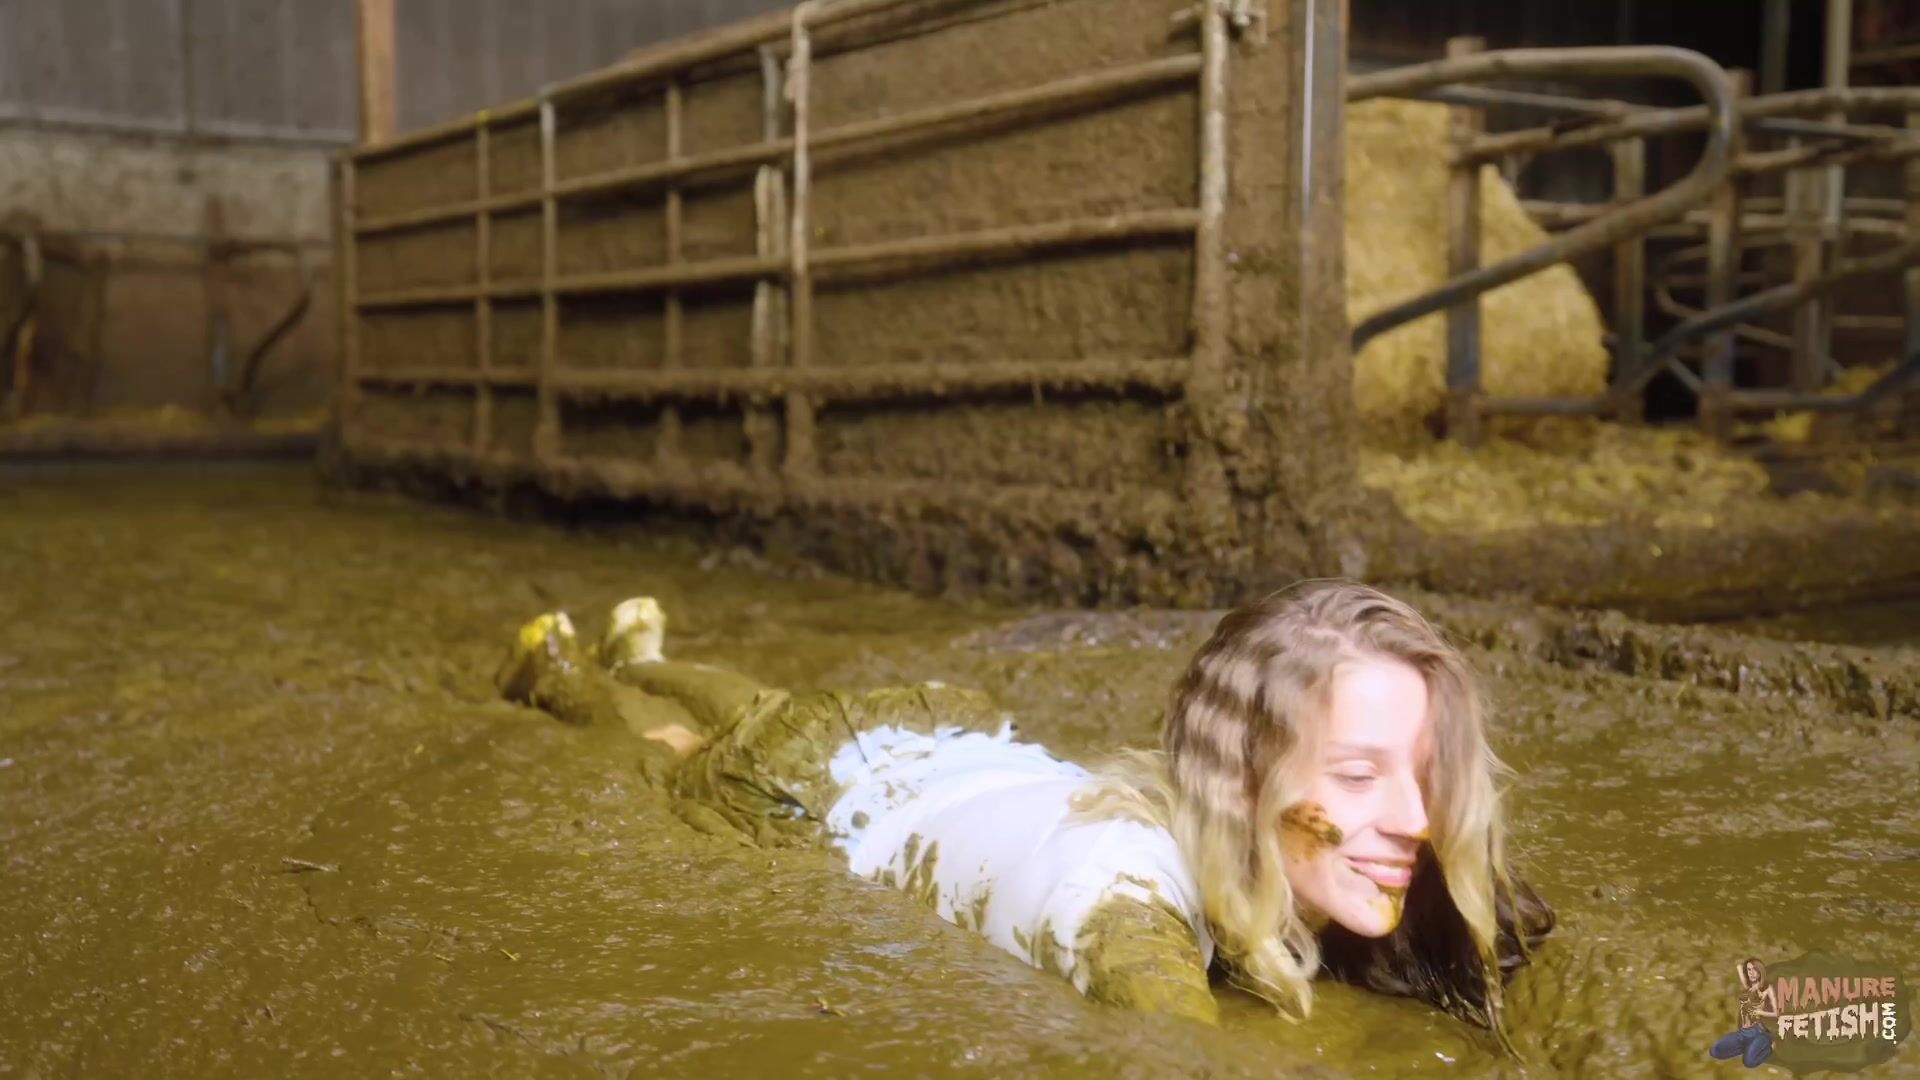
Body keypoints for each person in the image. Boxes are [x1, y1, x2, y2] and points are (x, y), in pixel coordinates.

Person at [495, 582, 1554, 1031]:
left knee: (764, 705)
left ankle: (651, 655)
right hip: (815, 795)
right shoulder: (1122, 899)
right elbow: (1177, 1048)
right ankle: (568, 674)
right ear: (1241, 778)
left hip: (944, 745)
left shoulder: (1286, 848)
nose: (1419, 818)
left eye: (1425, 771)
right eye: (1360, 777)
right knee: (686, 744)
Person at [1709, 958, 1779, 1068]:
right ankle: (1746, 1048)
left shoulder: (1766, 989)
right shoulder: (1747, 987)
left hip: (1758, 1032)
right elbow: (1739, 967)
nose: (1751, 973)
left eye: (1754, 970)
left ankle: (1769, 1048)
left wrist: (1759, 1012)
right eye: (1749, 970)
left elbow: (1776, 1013)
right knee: (1714, 1050)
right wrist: (1741, 966)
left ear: (1760, 971)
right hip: (1743, 1032)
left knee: (1749, 1062)